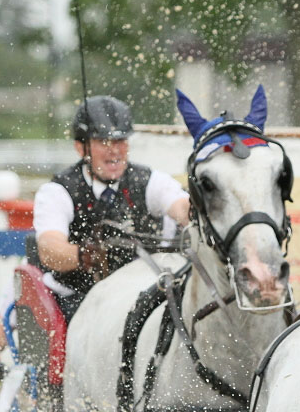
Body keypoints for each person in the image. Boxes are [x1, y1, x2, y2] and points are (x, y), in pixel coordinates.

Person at [33, 95, 190, 323]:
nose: (114, 151)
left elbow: (181, 207)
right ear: (81, 147)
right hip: (78, 297)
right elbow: (49, 250)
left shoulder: (149, 181)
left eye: (120, 142)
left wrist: (196, 210)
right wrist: (87, 256)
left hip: (142, 293)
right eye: (103, 142)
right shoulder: (58, 191)